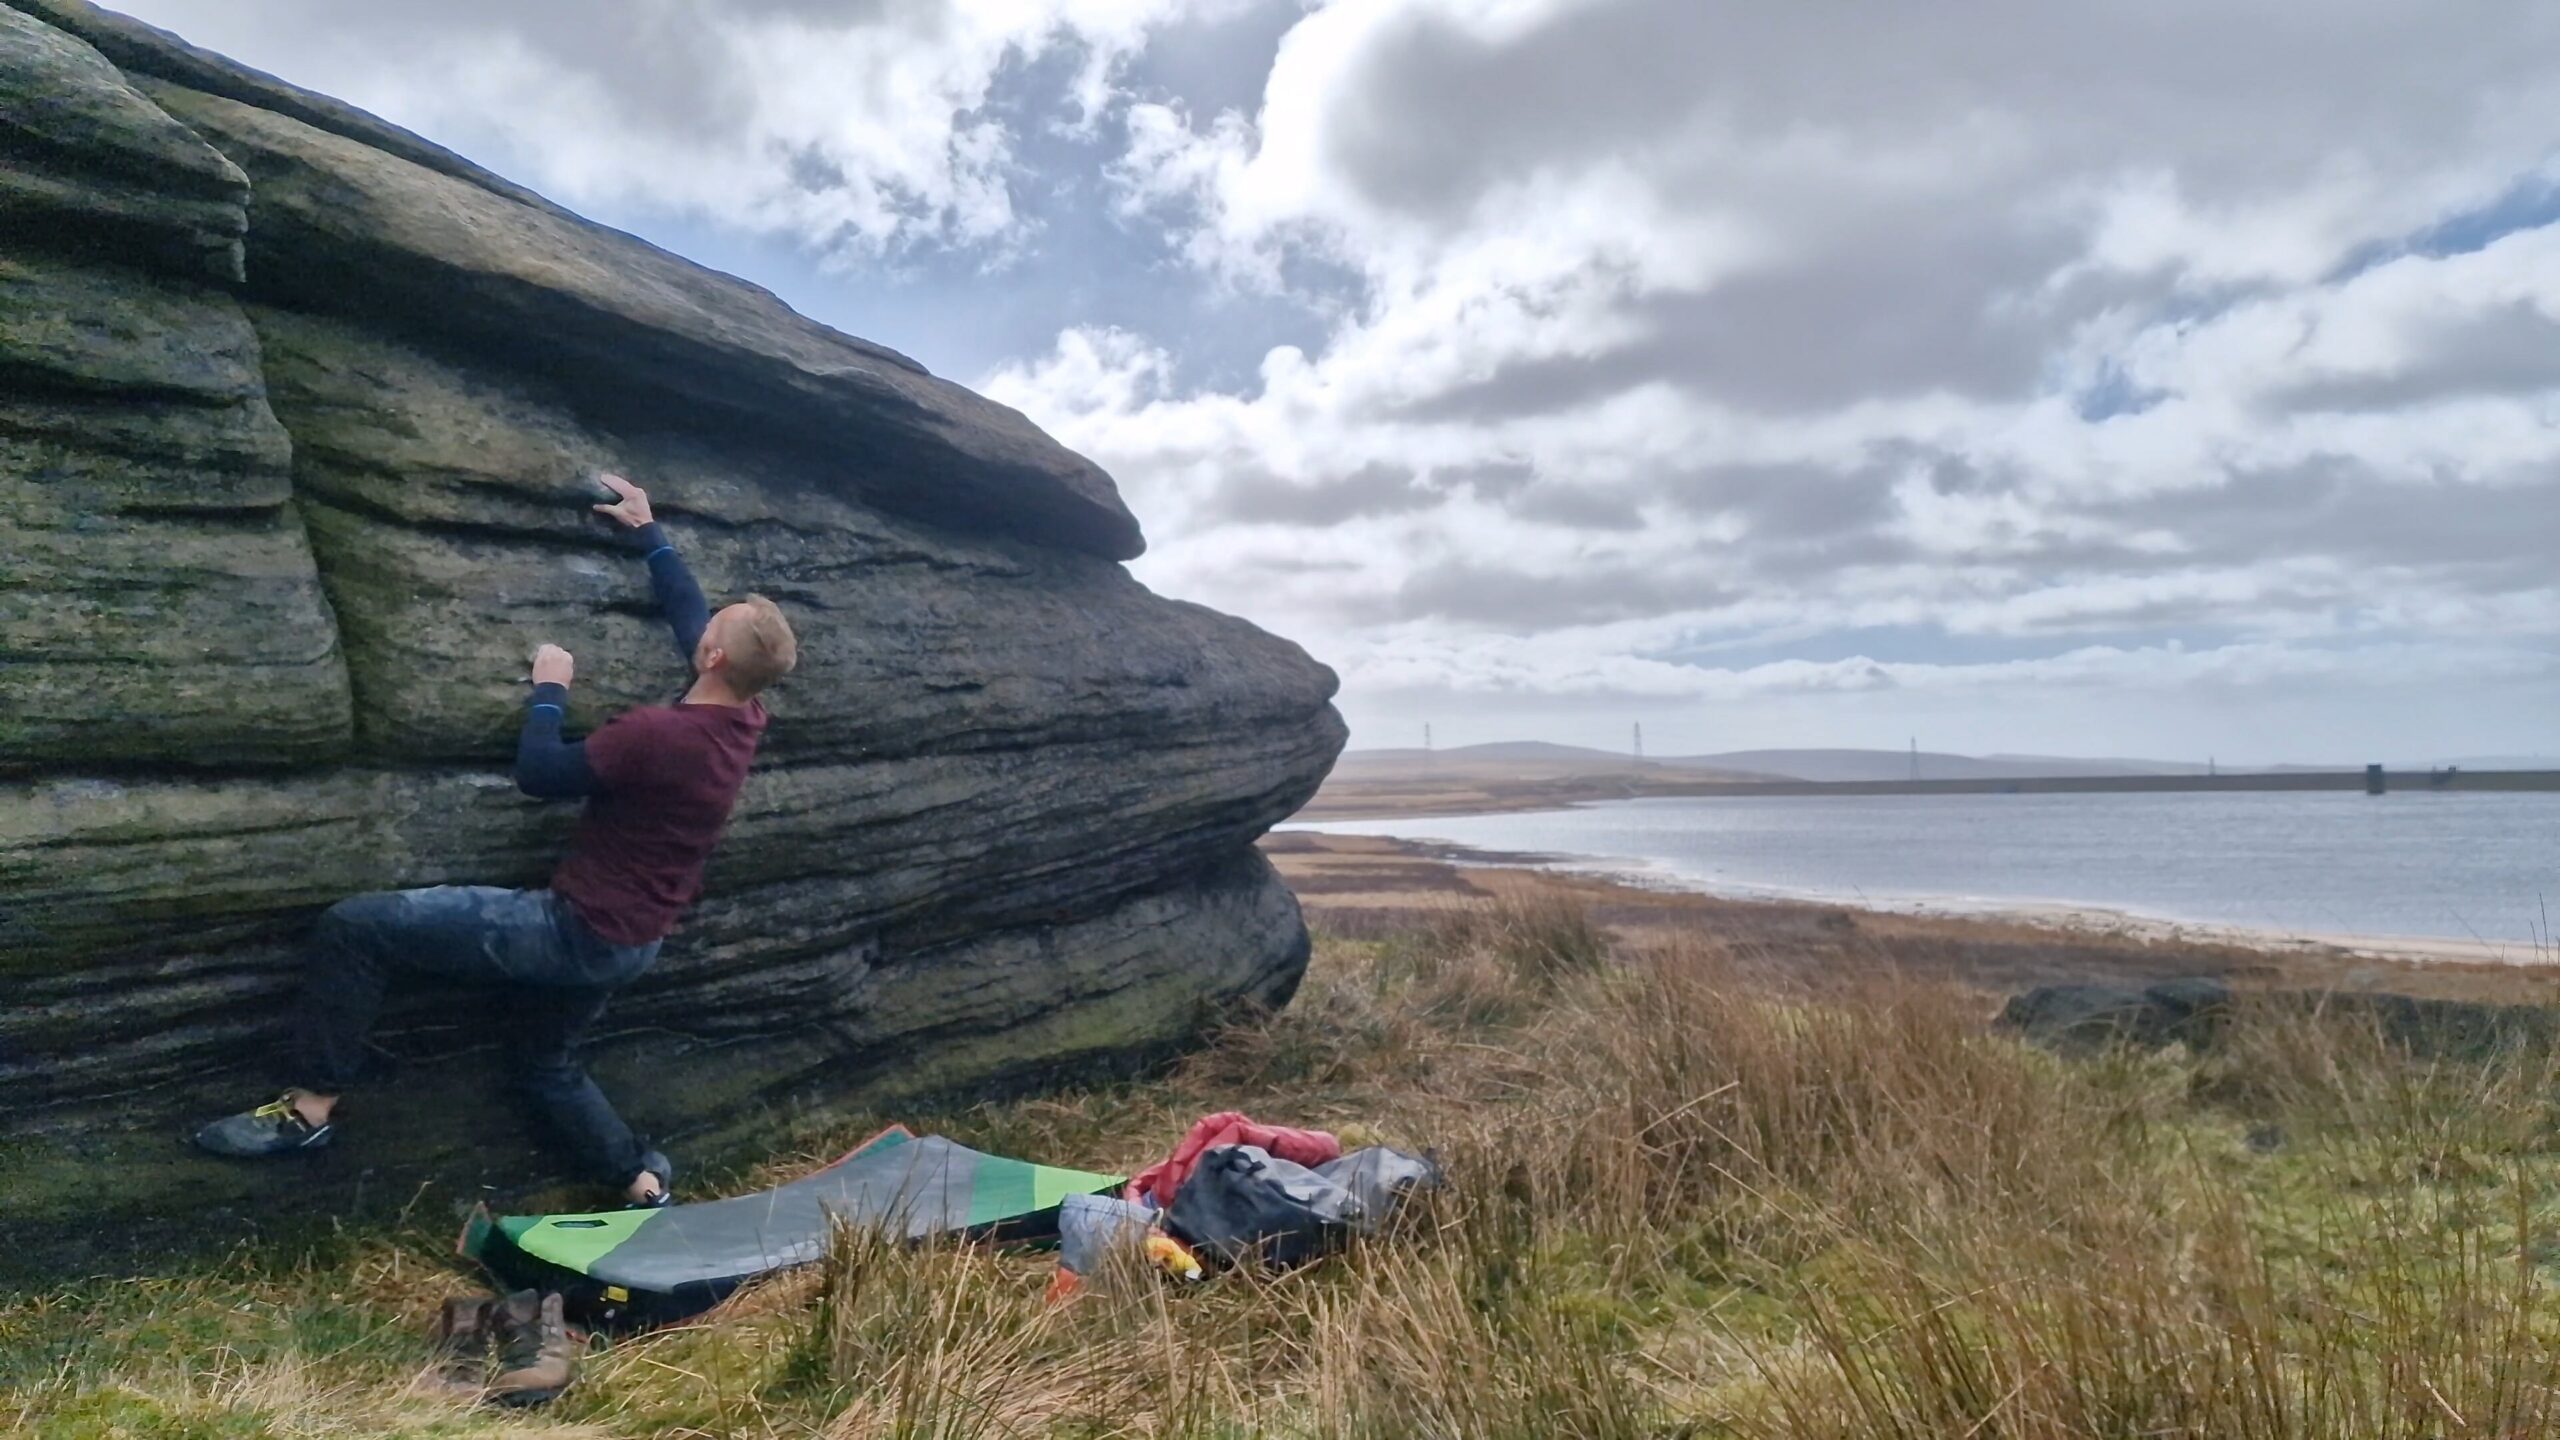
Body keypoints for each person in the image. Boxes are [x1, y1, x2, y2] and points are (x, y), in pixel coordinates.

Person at [193, 474, 797, 1208]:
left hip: (569, 930)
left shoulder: (657, 735)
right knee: (546, 1063)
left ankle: (311, 1109)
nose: (702, 630)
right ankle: (637, 1178)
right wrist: (650, 535)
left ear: (711, 659)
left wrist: (550, 688)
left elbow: (540, 775)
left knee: (355, 928)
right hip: (635, 940)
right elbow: (694, 619)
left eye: (712, 632)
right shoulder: (741, 715)